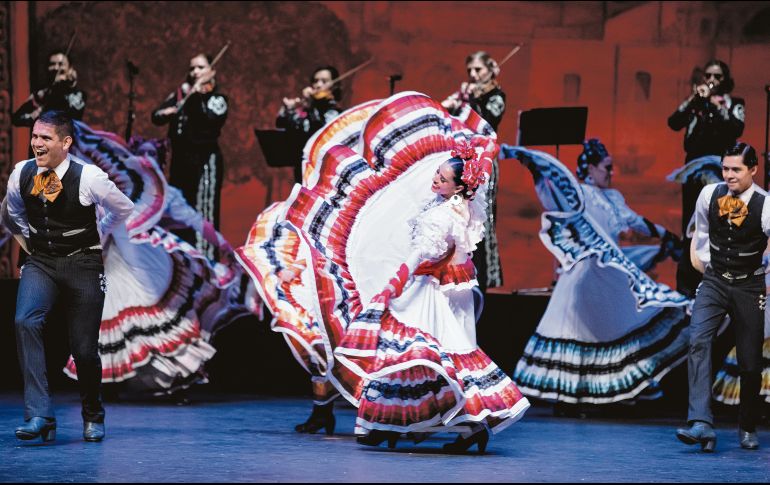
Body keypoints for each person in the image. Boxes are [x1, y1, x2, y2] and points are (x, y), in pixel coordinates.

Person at [281, 92, 530, 453]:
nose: (435, 180)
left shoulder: (447, 214)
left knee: (411, 356)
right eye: (438, 173)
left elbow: (421, 254)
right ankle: (392, 422)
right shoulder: (458, 206)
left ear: (459, 187)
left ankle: (456, 427)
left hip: (428, 292)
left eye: (443, 178)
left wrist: (393, 284)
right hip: (440, 288)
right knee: (413, 361)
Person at [60, 121, 252, 398]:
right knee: (118, 325)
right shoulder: (113, 190)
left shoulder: (165, 195)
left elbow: (196, 222)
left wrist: (223, 244)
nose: (147, 159)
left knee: (154, 320)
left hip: (149, 267)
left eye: (152, 155)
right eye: (142, 155)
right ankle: (115, 383)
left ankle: (164, 381)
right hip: (115, 268)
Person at [507, 140, 689, 411]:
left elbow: (635, 221)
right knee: (578, 333)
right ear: (590, 168)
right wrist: (536, 168)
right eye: (606, 167)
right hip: (584, 273)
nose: (611, 172)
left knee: (613, 328)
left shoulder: (613, 198)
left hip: (608, 273)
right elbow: (552, 197)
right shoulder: (581, 195)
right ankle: (569, 399)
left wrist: (666, 235)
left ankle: (613, 392)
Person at [236, 101, 380, 434]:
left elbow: (339, 244)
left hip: (352, 281)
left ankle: (374, 414)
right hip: (317, 279)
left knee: (359, 346)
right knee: (316, 342)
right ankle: (322, 411)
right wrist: (292, 266)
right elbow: (304, 236)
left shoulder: (357, 202)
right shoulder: (314, 198)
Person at [2, 111, 134, 442]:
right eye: (34, 136)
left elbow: (123, 208)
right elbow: (11, 213)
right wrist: (29, 244)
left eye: (45, 138)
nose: (36, 143)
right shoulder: (22, 173)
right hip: (42, 262)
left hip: (83, 263)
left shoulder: (89, 177)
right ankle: (39, 415)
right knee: (25, 322)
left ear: (65, 142)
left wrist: (98, 233)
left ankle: (93, 413)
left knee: (84, 349)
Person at [676, 142, 767, 452]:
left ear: (753, 169)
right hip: (715, 280)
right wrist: (704, 267)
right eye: (725, 168)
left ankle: (747, 424)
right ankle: (701, 422)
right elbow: (699, 232)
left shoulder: (765, 205)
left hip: (749, 286)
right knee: (698, 339)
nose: (729, 175)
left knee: (750, 361)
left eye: (736, 170)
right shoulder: (709, 195)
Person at [668, 60, 745, 298]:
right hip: (694, 169)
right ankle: (686, 287)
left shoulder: (735, 103)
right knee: (692, 224)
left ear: (726, 80)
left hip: (721, 170)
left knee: (720, 222)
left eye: (718, 76)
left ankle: (718, 283)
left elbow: (736, 129)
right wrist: (693, 100)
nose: (712, 80)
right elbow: (673, 122)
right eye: (709, 75)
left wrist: (716, 104)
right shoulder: (696, 102)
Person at [152, 53, 228, 259]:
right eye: (192, 68)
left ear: (211, 71)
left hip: (205, 161)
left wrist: (196, 95)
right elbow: (156, 115)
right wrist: (168, 111)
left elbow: (209, 119)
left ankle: (208, 261)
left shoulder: (217, 99)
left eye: (200, 68)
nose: (195, 72)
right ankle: (183, 259)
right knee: (179, 210)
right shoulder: (181, 93)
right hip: (181, 160)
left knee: (203, 212)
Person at [442, 51, 505, 291]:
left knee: (482, 217)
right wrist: (451, 106)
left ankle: (483, 277)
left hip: (484, 163)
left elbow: (487, 121)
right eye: (470, 70)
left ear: (491, 70)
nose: (473, 75)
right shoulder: (467, 96)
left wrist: (469, 101)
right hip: (464, 161)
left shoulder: (496, 96)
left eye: (478, 70)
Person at [276, 66, 343, 183]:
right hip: (303, 171)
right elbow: (282, 124)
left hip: (327, 172)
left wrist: (311, 105)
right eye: (315, 81)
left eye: (324, 81)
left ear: (334, 86)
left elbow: (321, 129)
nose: (318, 85)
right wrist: (288, 109)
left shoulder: (335, 112)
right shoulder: (306, 111)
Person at [12, 51, 87, 127]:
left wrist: (62, 89)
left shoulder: (78, 94)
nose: (56, 68)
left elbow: (73, 115)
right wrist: (36, 116)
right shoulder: (41, 94)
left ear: (70, 68)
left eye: (61, 64)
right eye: (52, 64)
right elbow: (17, 119)